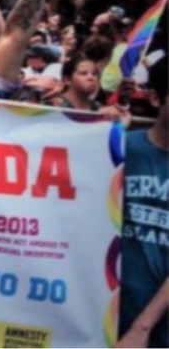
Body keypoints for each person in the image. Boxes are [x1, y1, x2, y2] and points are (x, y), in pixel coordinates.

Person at [117, 56, 168, 348]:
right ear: (155, 97)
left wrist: (143, 327)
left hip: (156, 329)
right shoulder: (122, 147)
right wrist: (105, 133)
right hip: (97, 315)